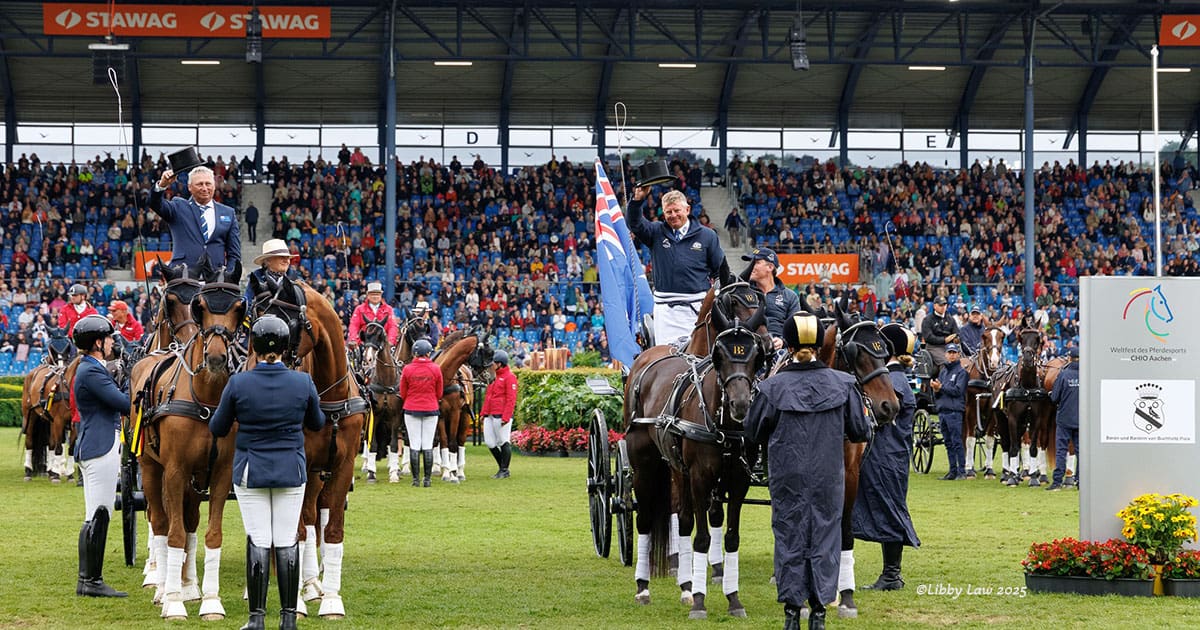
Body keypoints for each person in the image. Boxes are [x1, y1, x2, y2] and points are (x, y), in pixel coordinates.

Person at [745, 313, 870, 630]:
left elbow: (753, 430)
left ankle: (791, 611)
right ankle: (819, 611)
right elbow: (859, 430)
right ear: (818, 346)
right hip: (828, 477)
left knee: (789, 537)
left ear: (787, 345)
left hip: (788, 477)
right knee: (825, 539)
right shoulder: (844, 385)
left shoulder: (772, 387)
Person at [209, 315, 325, 630]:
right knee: (287, 540)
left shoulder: (239, 382)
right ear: (286, 346)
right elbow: (317, 423)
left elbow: (217, 427)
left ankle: (256, 618)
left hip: (251, 470)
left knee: (259, 539)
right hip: (290, 469)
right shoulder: (302, 382)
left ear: (255, 347)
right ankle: (288, 618)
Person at [853, 323, 921, 591]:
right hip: (891, 453)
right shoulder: (899, 377)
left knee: (890, 510)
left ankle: (892, 574)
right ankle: (891, 574)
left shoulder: (891, 380)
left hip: (885, 454)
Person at [72, 315, 130, 598]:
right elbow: (123, 403)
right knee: (99, 513)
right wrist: (133, 380)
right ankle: (90, 580)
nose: (111, 343)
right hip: (100, 445)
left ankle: (90, 579)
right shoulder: (91, 371)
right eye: (108, 339)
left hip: (94, 443)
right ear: (98, 342)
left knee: (96, 513)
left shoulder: (90, 367)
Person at [625, 186, 727, 345]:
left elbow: (720, 271)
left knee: (702, 359)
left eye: (676, 210)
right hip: (665, 309)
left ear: (687, 209)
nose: (673, 215)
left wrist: (719, 297)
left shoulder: (707, 236)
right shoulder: (656, 232)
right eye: (668, 212)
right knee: (666, 359)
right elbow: (635, 223)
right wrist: (637, 200)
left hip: (698, 308)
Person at [151, 165, 241, 270]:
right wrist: (162, 185)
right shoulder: (178, 207)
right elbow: (154, 204)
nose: (204, 188)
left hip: (216, 280)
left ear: (214, 185)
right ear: (190, 187)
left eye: (208, 184)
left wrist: (229, 278)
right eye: (199, 184)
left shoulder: (228, 213)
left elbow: (234, 254)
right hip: (183, 278)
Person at [399, 339, 443, 487]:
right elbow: (439, 392)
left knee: (414, 444)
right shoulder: (436, 369)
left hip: (411, 408)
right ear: (429, 352)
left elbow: (403, 392)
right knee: (428, 444)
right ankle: (428, 479)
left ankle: (416, 480)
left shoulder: (407, 369)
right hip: (431, 408)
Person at [740, 247, 800, 353]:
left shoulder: (790, 296)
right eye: (750, 263)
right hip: (749, 350)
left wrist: (783, 341)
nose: (750, 267)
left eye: (756, 262)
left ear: (770, 267)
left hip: (780, 352)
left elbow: (796, 327)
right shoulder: (742, 293)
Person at [481, 349, 519, 479]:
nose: (492, 365)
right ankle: (502, 467)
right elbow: (488, 396)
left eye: (494, 363)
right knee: (490, 442)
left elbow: (511, 399)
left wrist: (506, 417)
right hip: (490, 414)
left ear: (500, 364)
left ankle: (504, 469)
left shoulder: (510, 377)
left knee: (503, 440)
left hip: (501, 414)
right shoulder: (493, 377)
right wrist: (483, 413)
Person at [1047, 346, 1080, 491]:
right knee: (1081, 451)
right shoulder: (1088, 374)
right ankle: (1080, 480)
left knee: (1061, 450)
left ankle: (1057, 482)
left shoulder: (1063, 375)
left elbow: (1054, 397)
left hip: (1064, 419)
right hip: (1081, 420)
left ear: (1069, 359)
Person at [932, 343, 966, 480]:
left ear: (958, 354)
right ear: (945, 354)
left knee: (957, 441)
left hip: (954, 411)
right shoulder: (943, 372)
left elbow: (958, 391)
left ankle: (962, 471)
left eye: (954, 352)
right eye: (949, 352)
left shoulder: (962, 372)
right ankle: (952, 471)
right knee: (948, 443)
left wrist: (941, 388)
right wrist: (936, 389)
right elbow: (939, 393)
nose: (952, 355)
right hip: (943, 411)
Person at [347, 282, 398, 348]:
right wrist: (353, 339)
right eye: (372, 294)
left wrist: (390, 341)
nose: (375, 297)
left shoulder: (388, 309)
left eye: (377, 294)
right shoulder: (359, 309)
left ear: (381, 295)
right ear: (368, 295)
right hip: (364, 343)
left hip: (383, 343)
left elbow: (392, 326)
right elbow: (354, 325)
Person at [920, 295, 959, 371]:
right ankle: (944, 381)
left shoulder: (951, 319)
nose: (943, 307)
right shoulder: (927, 319)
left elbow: (956, 332)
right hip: (933, 347)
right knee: (946, 362)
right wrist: (944, 340)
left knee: (962, 361)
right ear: (935, 306)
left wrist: (956, 338)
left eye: (944, 305)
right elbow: (928, 337)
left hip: (949, 346)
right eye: (940, 305)